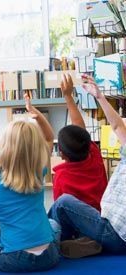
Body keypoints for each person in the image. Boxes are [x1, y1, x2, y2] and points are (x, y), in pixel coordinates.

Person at [0, 94, 60, 272]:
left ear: (4, 147)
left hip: (15, 260)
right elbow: (50, 138)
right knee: (54, 225)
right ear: (36, 149)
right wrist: (35, 113)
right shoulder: (38, 172)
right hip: (50, 256)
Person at [49, 75, 126, 258]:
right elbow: (117, 126)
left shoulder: (64, 175)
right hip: (104, 220)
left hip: (113, 232)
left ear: (62, 154)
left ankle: (50, 243)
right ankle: (90, 241)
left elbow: (116, 126)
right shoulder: (94, 156)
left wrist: (96, 96)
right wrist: (99, 96)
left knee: (62, 204)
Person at [53, 74, 107, 211]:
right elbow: (80, 128)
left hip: (79, 229)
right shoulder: (95, 158)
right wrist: (68, 96)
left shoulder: (61, 177)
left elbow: (60, 210)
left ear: (62, 154)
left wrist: (67, 95)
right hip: (102, 217)